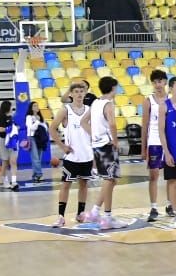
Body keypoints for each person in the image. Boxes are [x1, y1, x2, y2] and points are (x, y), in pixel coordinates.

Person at [52, 79, 94, 229]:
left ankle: (80, 213)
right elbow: (52, 128)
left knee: (84, 185)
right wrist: (62, 146)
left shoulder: (90, 110)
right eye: (76, 92)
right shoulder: (66, 110)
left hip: (87, 155)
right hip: (72, 156)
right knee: (65, 185)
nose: (79, 94)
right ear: (71, 94)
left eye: (81, 91)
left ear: (85, 93)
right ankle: (61, 216)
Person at [88, 76, 121, 228]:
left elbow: (83, 121)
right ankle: (107, 216)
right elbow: (112, 124)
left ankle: (95, 211)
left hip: (97, 144)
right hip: (106, 145)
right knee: (109, 179)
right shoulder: (108, 104)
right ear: (113, 88)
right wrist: (115, 141)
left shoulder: (95, 102)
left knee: (111, 180)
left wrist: (94, 135)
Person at [141, 69, 171, 222]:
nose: (158, 85)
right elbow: (145, 124)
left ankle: (170, 204)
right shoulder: (148, 101)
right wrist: (143, 147)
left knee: (171, 175)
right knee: (153, 175)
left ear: (165, 82)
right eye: (155, 82)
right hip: (154, 141)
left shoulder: (171, 100)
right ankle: (153, 207)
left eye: (160, 81)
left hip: (170, 141)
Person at [160, 75, 176, 224]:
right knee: (173, 182)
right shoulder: (165, 106)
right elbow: (161, 131)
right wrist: (166, 152)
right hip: (172, 151)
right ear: (170, 89)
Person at [24, 102, 49, 182]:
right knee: (35, 157)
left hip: (40, 138)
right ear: (31, 108)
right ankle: (39, 175)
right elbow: (31, 128)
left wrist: (43, 125)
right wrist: (37, 122)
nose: (36, 107)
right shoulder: (29, 117)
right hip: (32, 137)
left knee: (38, 158)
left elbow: (45, 127)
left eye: (37, 106)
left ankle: (35, 175)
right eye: (34, 106)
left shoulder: (40, 117)